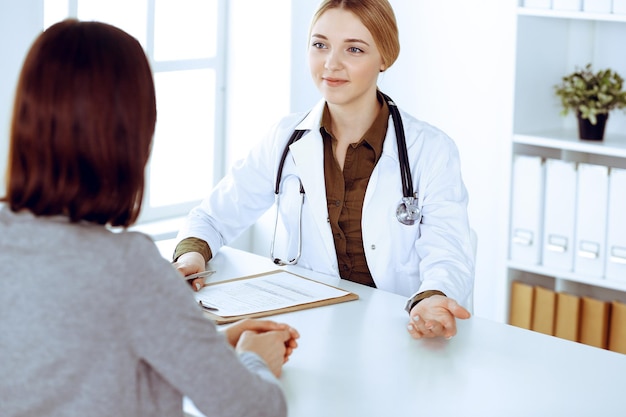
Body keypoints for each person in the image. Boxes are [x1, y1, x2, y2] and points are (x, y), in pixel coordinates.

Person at [0, 19, 298, 417]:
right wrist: (253, 359)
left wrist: (214, 347)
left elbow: (69, 362)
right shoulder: (127, 267)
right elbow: (255, 409)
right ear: (130, 135)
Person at [173, 0, 473, 340]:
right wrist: (192, 256)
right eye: (320, 45)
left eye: (354, 49)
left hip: (400, 333)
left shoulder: (430, 150)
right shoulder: (286, 138)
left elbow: (449, 250)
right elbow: (213, 217)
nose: (331, 64)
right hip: (310, 330)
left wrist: (433, 297)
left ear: (385, 57)